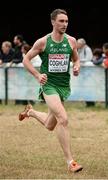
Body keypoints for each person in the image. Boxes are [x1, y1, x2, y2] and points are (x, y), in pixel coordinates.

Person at [19, 9, 83, 173]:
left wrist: (76, 66)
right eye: (61, 21)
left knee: (49, 124)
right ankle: (70, 162)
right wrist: (37, 75)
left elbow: (76, 58)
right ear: (53, 22)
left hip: (63, 85)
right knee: (63, 118)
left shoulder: (71, 41)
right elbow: (25, 59)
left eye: (66, 21)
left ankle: (31, 112)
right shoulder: (43, 42)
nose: (64, 24)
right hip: (49, 85)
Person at [77, 38, 95, 107]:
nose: (77, 45)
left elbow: (89, 59)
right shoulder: (78, 49)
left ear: (82, 44)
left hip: (88, 73)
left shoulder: (87, 49)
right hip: (82, 72)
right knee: (83, 87)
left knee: (89, 87)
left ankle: (91, 103)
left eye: (78, 43)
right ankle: (87, 102)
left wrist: (80, 61)